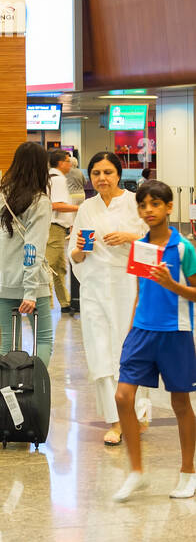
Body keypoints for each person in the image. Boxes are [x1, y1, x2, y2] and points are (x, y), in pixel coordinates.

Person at [112, 180, 196, 502]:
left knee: (180, 404)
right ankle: (136, 472)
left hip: (175, 333)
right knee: (122, 397)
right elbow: (140, 293)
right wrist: (133, 328)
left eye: (155, 204)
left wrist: (173, 285)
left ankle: (188, 471)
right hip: (141, 333)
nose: (148, 210)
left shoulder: (183, 248)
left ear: (168, 207)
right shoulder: (140, 247)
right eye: (143, 205)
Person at [70, 152, 151, 445]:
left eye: (107, 172)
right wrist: (80, 248)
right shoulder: (86, 208)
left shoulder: (134, 203)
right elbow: (75, 256)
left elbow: (153, 242)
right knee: (100, 353)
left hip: (127, 287)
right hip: (93, 288)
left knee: (128, 350)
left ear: (118, 174)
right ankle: (115, 421)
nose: (101, 178)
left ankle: (138, 414)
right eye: (96, 173)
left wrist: (128, 237)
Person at [0, 141, 54, 366]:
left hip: (1, 281)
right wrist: (30, 291)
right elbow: (33, 248)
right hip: (30, 284)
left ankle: (6, 392)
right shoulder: (40, 202)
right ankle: (34, 389)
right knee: (44, 338)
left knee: (8, 342)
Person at [47, 149, 79, 315]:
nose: (70, 164)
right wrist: (80, 208)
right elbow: (56, 204)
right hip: (54, 227)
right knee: (50, 266)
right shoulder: (58, 179)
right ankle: (45, 304)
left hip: (56, 228)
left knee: (59, 268)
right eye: (68, 161)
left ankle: (65, 303)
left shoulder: (50, 177)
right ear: (60, 163)